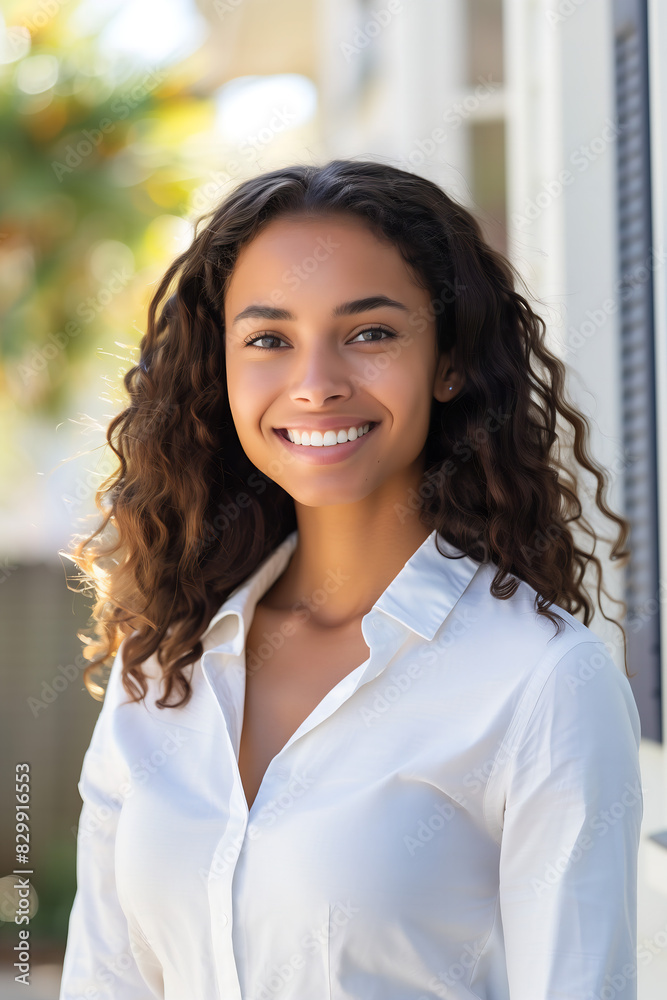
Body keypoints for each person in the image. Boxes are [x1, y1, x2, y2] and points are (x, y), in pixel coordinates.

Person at [59, 158, 643, 1000]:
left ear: (449, 362)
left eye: (369, 333)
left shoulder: (541, 681)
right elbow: (103, 980)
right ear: (219, 373)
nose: (316, 383)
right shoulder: (160, 668)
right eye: (268, 339)